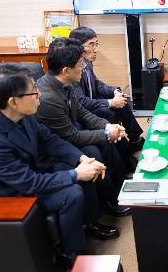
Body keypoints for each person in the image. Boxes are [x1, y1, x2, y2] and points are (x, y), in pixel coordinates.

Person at [0, 62, 120, 267]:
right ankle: (70, 254)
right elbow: (28, 183)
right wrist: (75, 174)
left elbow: (48, 138)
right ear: (13, 101)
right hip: (7, 194)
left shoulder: (19, 112)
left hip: (30, 170)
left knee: (87, 165)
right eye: (34, 92)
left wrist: (80, 158)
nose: (39, 95)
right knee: (71, 194)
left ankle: (89, 224)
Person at [36, 38, 130, 217]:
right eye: (80, 64)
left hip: (67, 136)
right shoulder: (48, 98)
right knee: (93, 149)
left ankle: (118, 188)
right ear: (66, 70)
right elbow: (71, 137)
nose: (84, 67)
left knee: (103, 141)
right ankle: (104, 207)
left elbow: (82, 114)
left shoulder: (64, 83)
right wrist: (105, 133)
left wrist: (108, 126)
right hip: (53, 150)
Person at [69, 27, 144, 153]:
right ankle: (122, 150)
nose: (96, 49)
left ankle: (135, 139)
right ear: (77, 47)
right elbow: (81, 101)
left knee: (121, 101)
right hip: (82, 109)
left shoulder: (87, 62)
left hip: (91, 100)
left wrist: (114, 91)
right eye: (91, 45)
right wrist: (110, 102)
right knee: (107, 112)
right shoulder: (74, 68)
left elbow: (97, 84)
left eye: (96, 44)